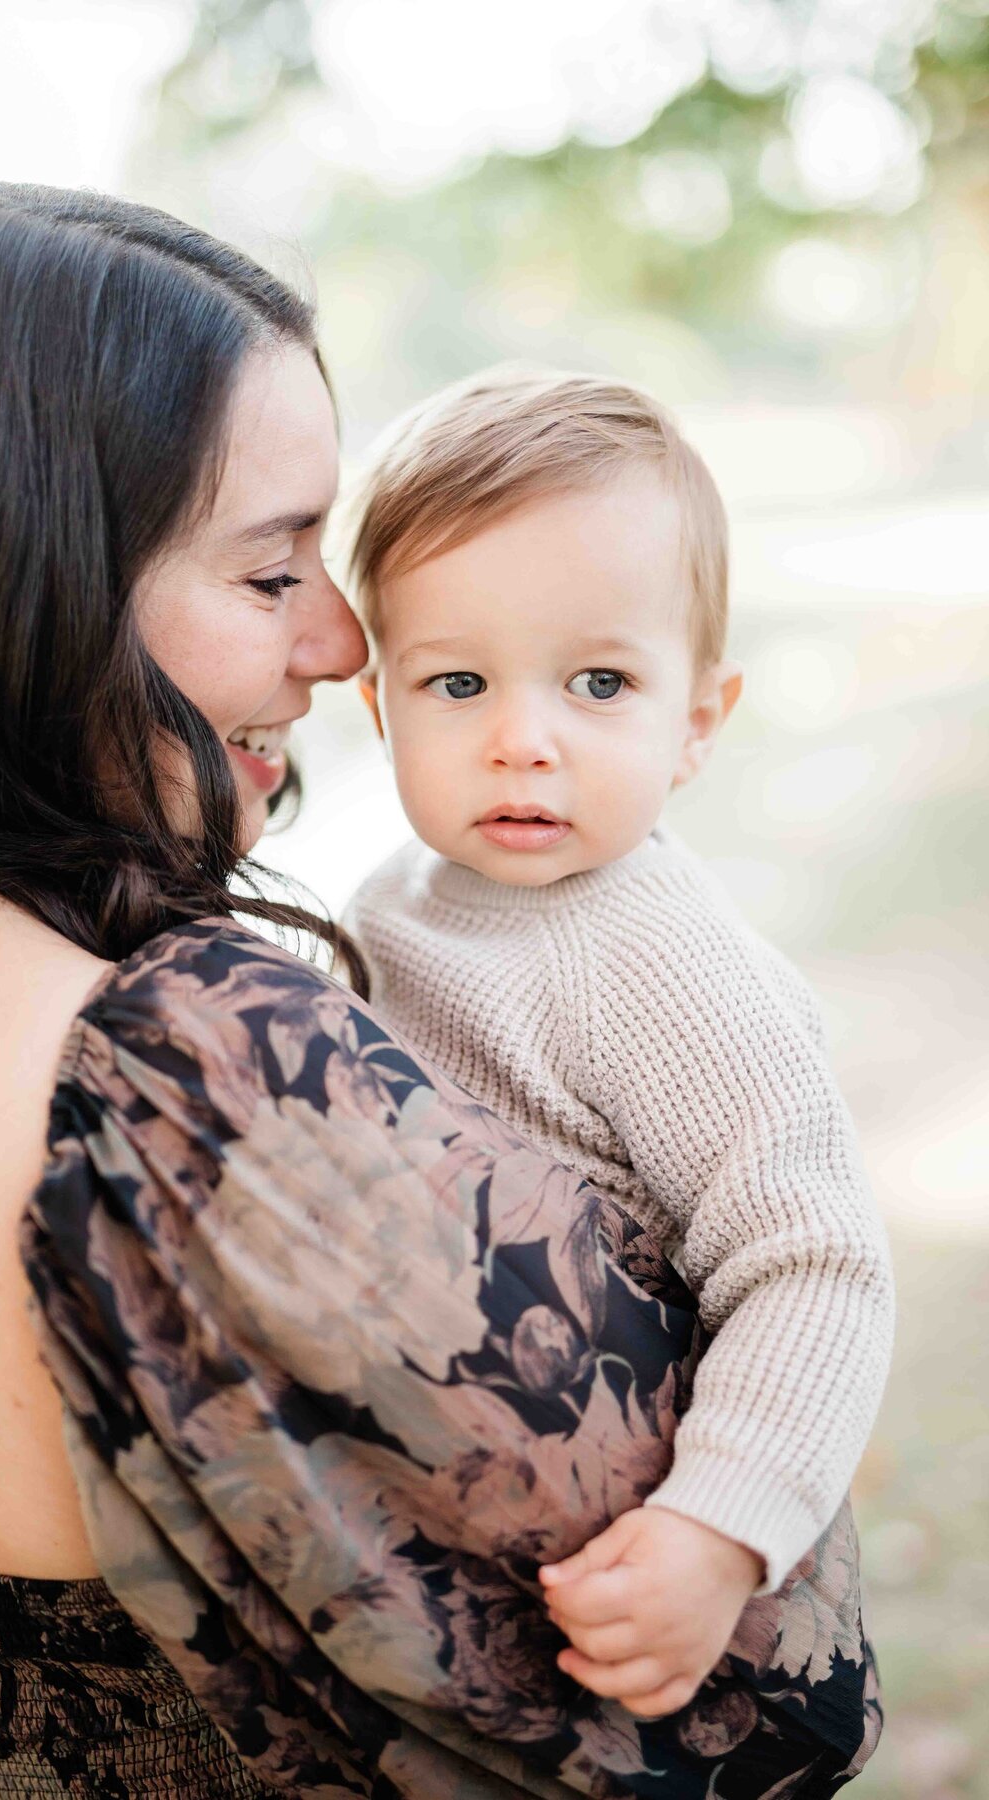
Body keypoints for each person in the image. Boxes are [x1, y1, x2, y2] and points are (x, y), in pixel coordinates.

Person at [0, 186, 880, 1799]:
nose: (341, 641)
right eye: (270, 571)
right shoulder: (194, 1069)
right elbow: (758, 1722)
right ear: (30, 580)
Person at [343, 365, 895, 1720]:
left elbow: (813, 1260)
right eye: (458, 682)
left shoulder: (658, 960)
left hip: (637, 1575)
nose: (522, 741)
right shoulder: (382, 910)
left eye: (599, 682)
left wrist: (720, 1529)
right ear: (378, 708)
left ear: (697, 721)